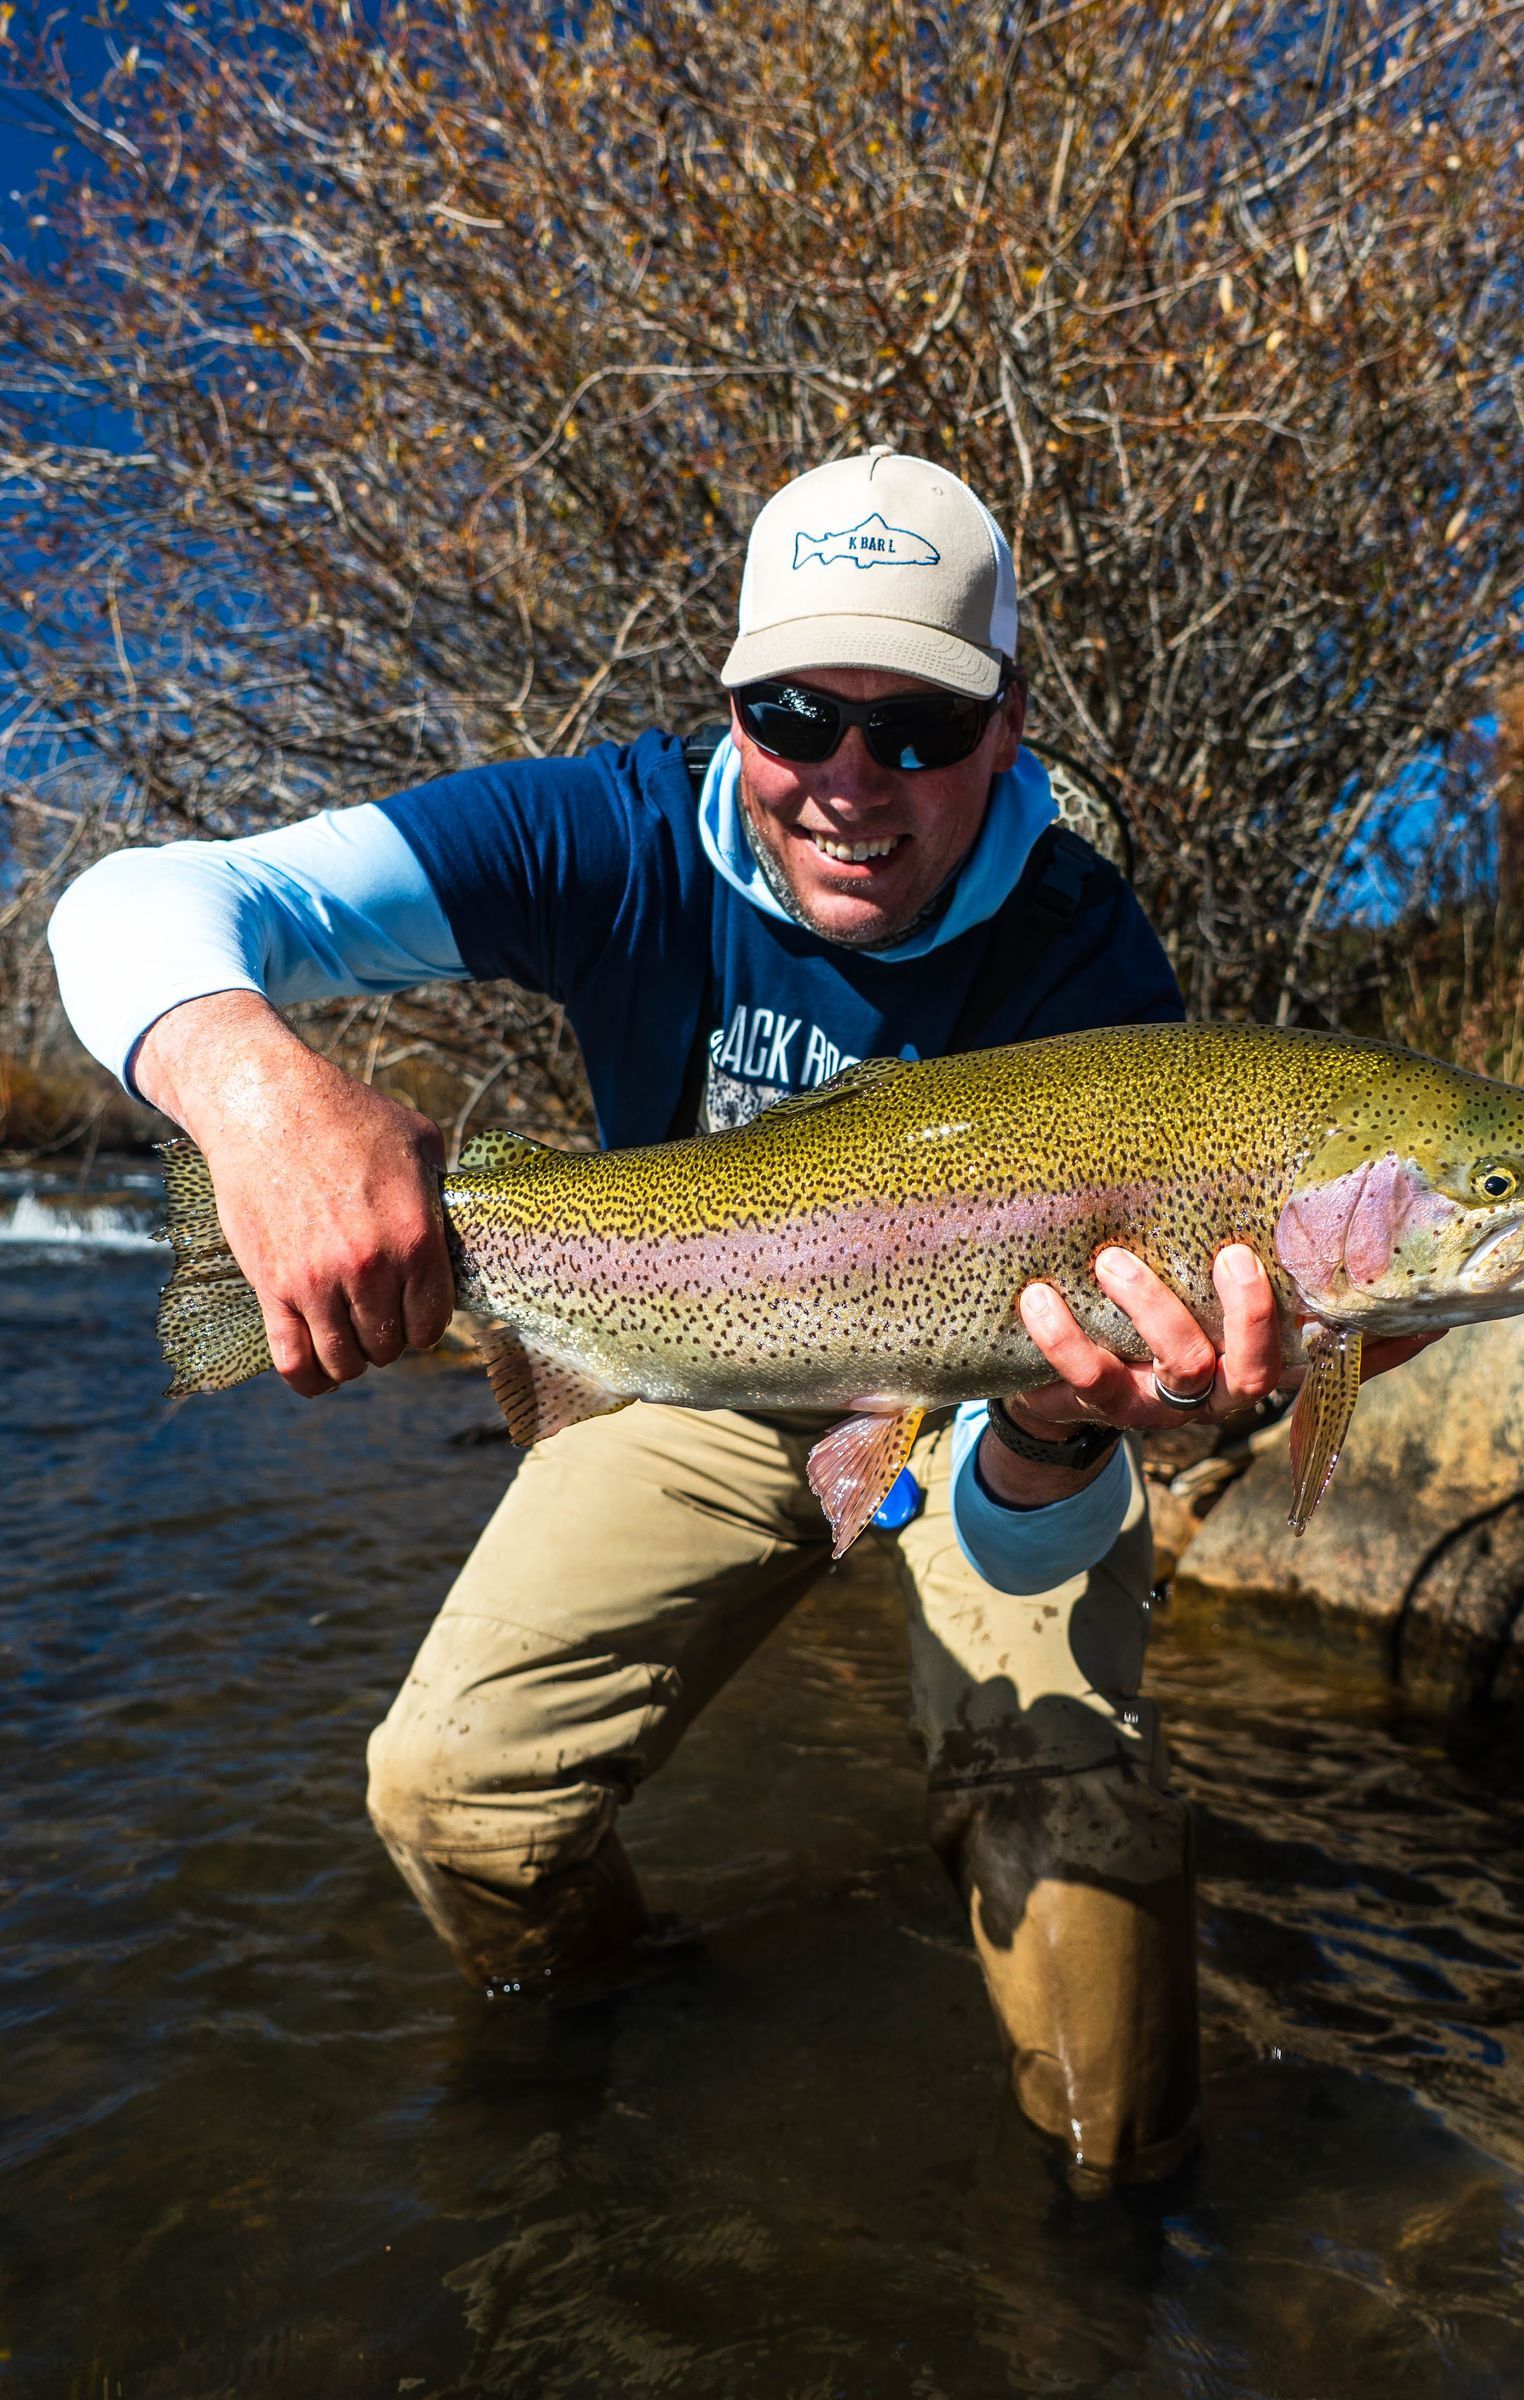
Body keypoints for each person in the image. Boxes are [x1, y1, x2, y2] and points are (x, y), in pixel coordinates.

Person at [51, 444, 1428, 2186]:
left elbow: (1024, 1518)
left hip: (974, 1406)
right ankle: (638, 2047)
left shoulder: (1096, 967)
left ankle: (1110, 2231)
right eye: (795, 717)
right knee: (449, 1795)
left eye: (916, 728)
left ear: (1005, 726)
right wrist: (253, 1101)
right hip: (685, 1362)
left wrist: (1074, 1424)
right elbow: (129, 904)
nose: (850, 781)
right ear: (731, 710)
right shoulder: (612, 832)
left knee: (1081, 1852)